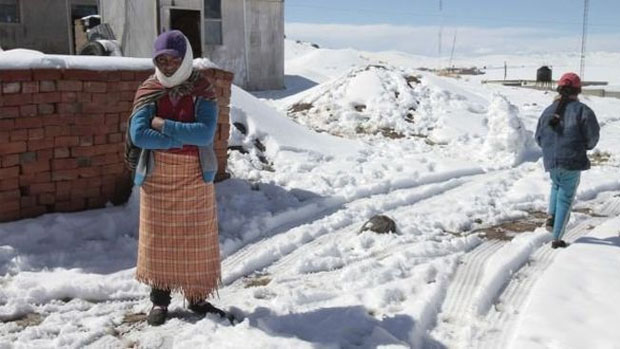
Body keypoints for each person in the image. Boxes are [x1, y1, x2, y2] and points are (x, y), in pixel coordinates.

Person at [127, 30, 223, 326]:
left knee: (197, 239)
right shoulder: (149, 88)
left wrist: (163, 124)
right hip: (158, 176)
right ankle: (160, 301)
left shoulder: (202, 88)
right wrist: (180, 139)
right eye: (161, 59)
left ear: (185, 59)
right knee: (159, 240)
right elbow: (139, 134)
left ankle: (196, 298)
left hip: (195, 176)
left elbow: (205, 133)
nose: (167, 65)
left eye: (173, 59)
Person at [535, 72, 600, 249]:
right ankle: (557, 238)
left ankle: (551, 216)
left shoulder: (547, 111)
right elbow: (592, 137)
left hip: (551, 161)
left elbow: (538, 137)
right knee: (566, 197)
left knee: (556, 186)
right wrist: (583, 147)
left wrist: (550, 149)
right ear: (578, 90)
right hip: (571, 161)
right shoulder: (583, 110)